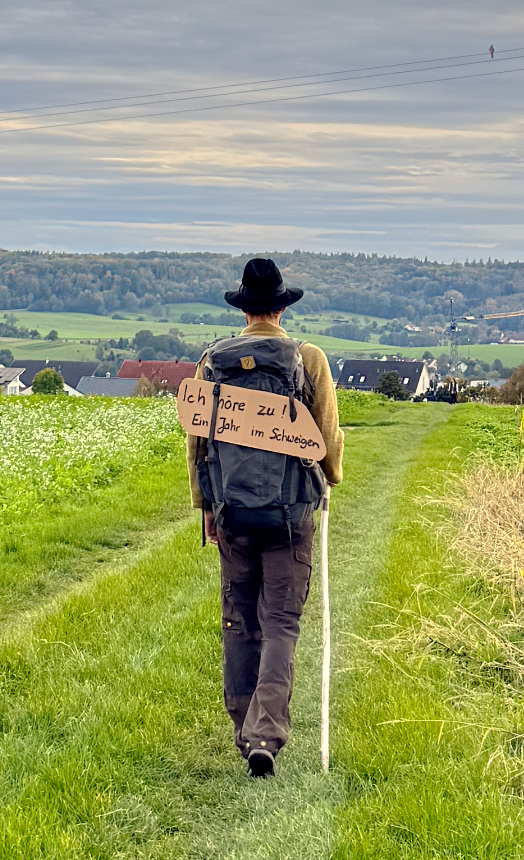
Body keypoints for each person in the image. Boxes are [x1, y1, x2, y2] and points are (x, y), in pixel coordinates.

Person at [186, 257, 344, 778]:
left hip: (231, 511)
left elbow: (197, 442)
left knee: (239, 619)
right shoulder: (308, 358)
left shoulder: (212, 362)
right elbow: (326, 438)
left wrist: (206, 506)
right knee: (280, 621)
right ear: (281, 307)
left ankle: (242, 727)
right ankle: (265, 733)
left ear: (245, 309)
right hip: (291, 511)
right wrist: (331, 478)